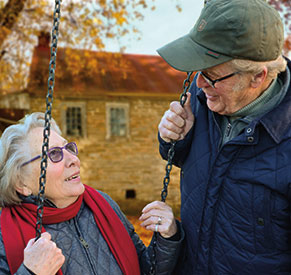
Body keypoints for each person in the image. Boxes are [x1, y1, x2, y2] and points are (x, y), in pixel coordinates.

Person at [157, 0, 291, 274]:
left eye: (212, 76)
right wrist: (174, 139)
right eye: (198, 72)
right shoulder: (202, 98)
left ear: (257, 77)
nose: (200, 83)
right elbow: (194, 164)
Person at [0, 112, 184, 275]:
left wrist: (167, 237)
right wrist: (31, 272)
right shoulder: (3, 235)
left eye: (69, 148)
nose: (73, 160)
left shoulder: (102, 204)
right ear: (21, 183)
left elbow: (145, 269)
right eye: (54, 154)